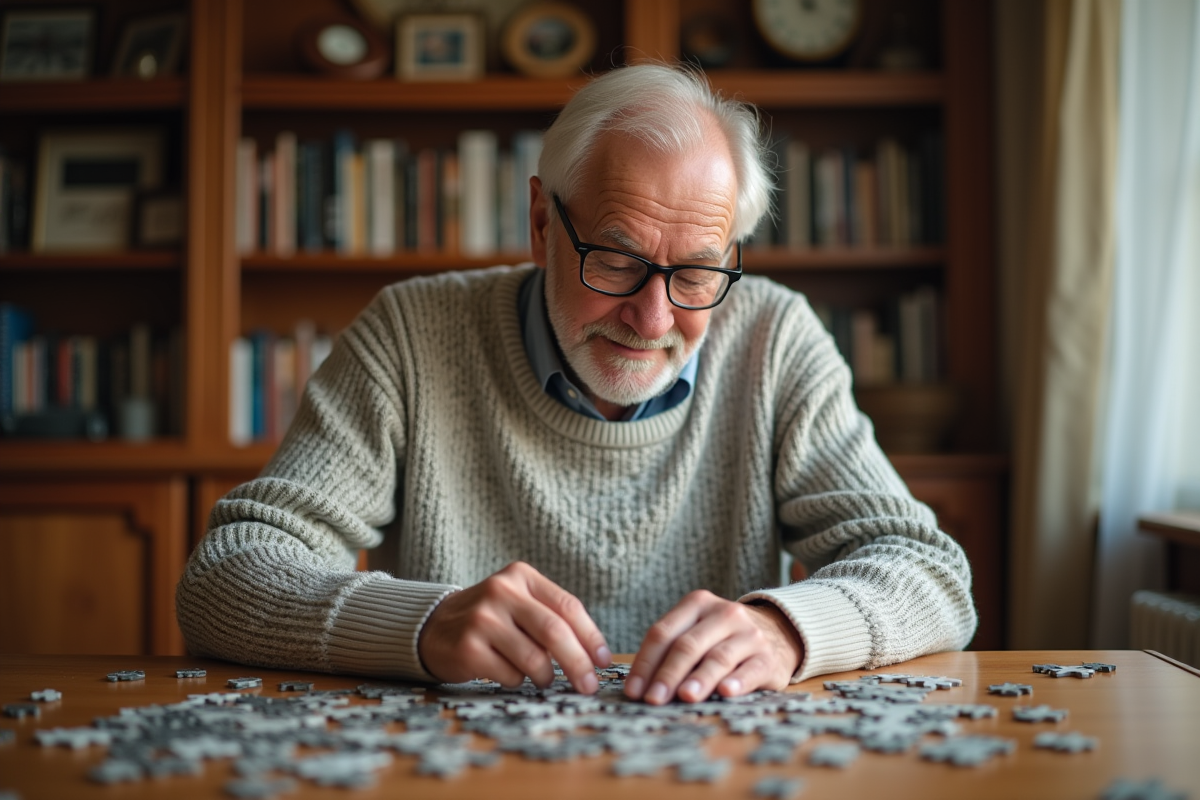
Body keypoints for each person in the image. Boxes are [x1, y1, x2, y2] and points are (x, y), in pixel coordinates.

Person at [176, 63, 976, 704]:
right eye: (619, 261)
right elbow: (226, 575)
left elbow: (929, 571)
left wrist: (786, 631)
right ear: (540, 225)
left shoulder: (775, 338)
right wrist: (419, 624)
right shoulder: (412, 335)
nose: (653, 318)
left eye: (697, 273)